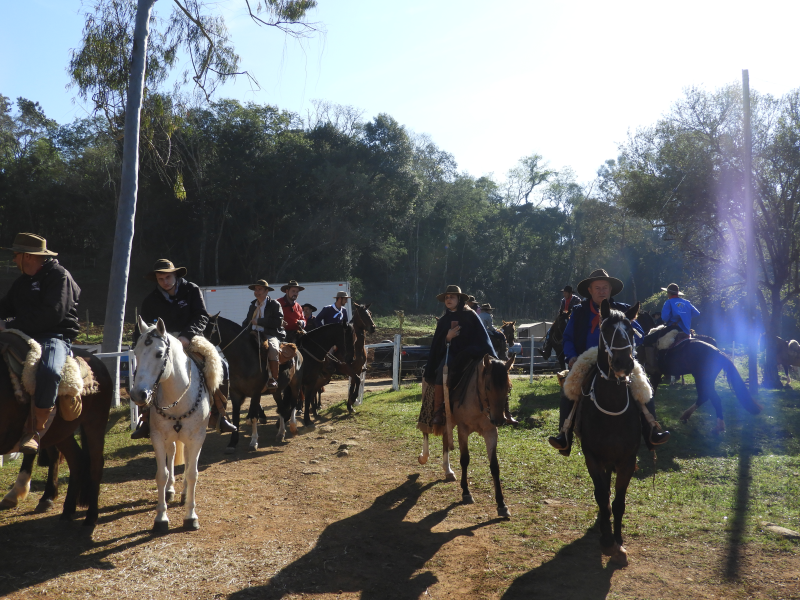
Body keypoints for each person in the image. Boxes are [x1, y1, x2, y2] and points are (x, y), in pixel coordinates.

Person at [548, 268, 669, 454]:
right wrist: (571, 356)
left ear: (610, 290)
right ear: (590, 290)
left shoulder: (623, 310)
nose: (601, 291)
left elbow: (639, 334)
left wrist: (626, 346)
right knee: (569, 387)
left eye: (605, 287)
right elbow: (568, 338)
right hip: (586, 358)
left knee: (642, 385)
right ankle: (564, 436)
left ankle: (652, 431)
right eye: (597, 288)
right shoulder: (579, 311)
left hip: (619, 357)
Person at [133, 259, 236, 438]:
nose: (165, 281)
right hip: (162, 342)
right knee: (144, 370)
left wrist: (186, 336)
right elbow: (142, 328)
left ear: (175, 275)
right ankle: (146, 418)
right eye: (160, 279)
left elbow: (201, 316)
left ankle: (219, 414)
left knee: (222, 366)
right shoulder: (150, 300)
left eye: (168, 277)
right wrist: (140, 345)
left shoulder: (192, 290)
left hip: (190, 338)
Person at [0, 233, 81, 454]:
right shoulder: (22, 282)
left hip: (53, 336)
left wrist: (9, 325)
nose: (14, 260)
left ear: (27, 256)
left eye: (16, 255)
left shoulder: (59, 277)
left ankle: (34, 430)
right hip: (22, 333)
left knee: (49, 372)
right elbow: (5, 306)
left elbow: (52, 315)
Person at [424, 285, 497, 426]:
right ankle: (438, 411)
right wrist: (448, 337)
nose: (448, 299)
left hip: (472, 354)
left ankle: (503, 410)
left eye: (452, 297)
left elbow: (482, 337)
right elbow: (437, 344)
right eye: (446, 297)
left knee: (493, 374)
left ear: (459, 299)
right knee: (442, 370)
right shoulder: (444, 320)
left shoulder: (471, 315)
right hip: (452, 355)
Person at [243, 279, 285, 390]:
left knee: (273, 348)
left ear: (266, 291)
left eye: (260, 289)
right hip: (253, 333)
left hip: (269, 334)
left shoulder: (274, 304)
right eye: (255, 290)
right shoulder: (253, 305)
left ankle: (272, 378)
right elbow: (247, 321)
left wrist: (259, 322)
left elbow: (278, 322)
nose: (257, 292)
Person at [541, 285, 581, 359]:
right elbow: (560, 311)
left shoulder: (576, 300)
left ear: (570, 293)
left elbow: (578, 311)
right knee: (550, 331)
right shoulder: (563, 301)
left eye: (565, 293)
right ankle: (546, 350)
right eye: (564, 293)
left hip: (574, 319)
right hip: (563, 318)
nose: (564, 294)